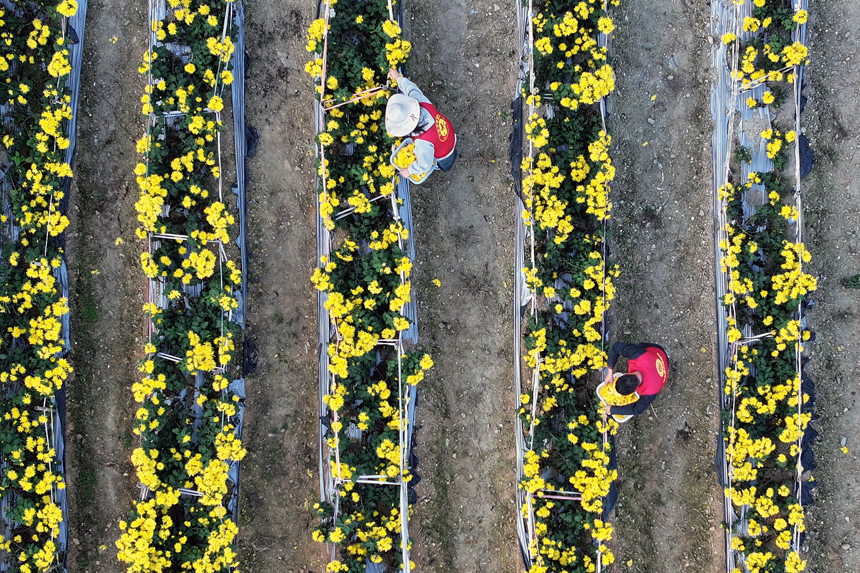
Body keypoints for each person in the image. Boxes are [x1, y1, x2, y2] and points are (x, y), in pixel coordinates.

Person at [385, 68, 458, 178]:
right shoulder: (420, 101)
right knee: (445, 144)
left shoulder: (422, 141)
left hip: (444, 154)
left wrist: (409, 170)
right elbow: (410, 88)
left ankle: (441, 165)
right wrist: (398, 78)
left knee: (445, 164)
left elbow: (425, 165)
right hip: (448, 132)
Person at [602, 342, 669, 417]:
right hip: (659, 355)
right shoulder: (638, 355)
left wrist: (612, 410)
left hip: (660, 356)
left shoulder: (649, 393)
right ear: (626, 374)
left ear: (635, 391)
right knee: (638, 347)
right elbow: (616, 347)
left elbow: (637, 410)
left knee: (640, 346)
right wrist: (610, 371)